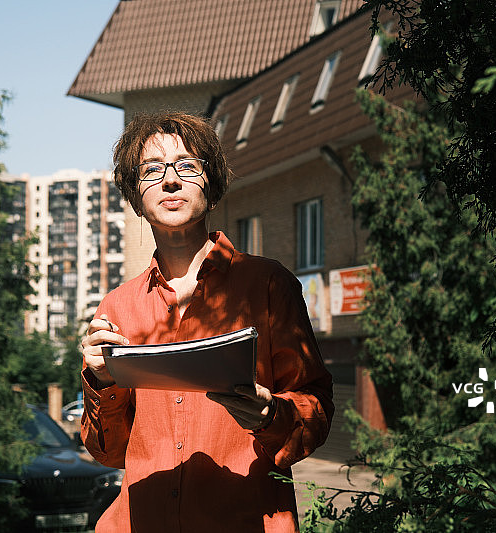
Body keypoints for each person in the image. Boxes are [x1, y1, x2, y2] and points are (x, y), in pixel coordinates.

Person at [79, 112, 334, 532]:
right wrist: (102, 382)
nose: (170, 180)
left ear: (212, 189)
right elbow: (108, 452)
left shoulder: (269, 285)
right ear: (134, 195)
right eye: (152, 169)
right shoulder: (117, 307)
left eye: (186, 166)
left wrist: (271, 414)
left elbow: (317, 408)